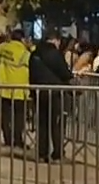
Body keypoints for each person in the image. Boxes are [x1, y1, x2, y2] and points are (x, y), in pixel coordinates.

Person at [29, 33, 75, 161]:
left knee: (42, 124)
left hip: (39, 93)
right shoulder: (54, 54)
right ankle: (57, 154)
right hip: (55, 93)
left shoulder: (34, 54)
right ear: (54, 40)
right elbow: (64, 73)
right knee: (57, 125)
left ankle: (42, 154)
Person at [0, 30, 31, 148]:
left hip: (2, 87)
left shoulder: (1, 48)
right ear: (22, 39)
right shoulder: (25, 53)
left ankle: (7, 139)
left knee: (4, 116)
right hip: (19, 89)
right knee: (19, 117)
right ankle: (17, 140)